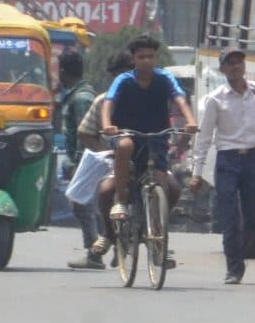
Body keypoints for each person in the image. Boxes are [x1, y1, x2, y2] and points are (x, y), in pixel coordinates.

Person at [101, 36, 195, 266]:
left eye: (151, 56)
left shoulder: (164, 78)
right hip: (126, 136)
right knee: (125, 146)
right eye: (141, 57)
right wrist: (107, 125)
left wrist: (190, 120)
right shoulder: (124, 80)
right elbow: (108, 103)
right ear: (133, 59)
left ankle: (158, 239)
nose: (146, 61)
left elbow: (180, 100)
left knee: (167, 187)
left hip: (156, 139)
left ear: (156, 58)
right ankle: (122, 202)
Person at [189, 49, 255, 285]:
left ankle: (241, 254)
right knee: (229, 216)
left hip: (254, 158)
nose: (236, 67)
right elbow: (204, 138)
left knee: (253, 217)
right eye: (230, 63)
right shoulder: (215, 98)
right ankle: (233, 268)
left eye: (239, 62)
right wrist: (197, 173)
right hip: (227, 160)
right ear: (223, 69)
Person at [55, 49, 105, 267]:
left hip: (87, 159)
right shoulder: (76, 95)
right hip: (84, 159)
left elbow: (85, 133)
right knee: (82, 204)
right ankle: (96, 248)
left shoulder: (82, 98)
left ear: (63, 71)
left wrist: (77, 165)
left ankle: (95, 251)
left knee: (82, 204)